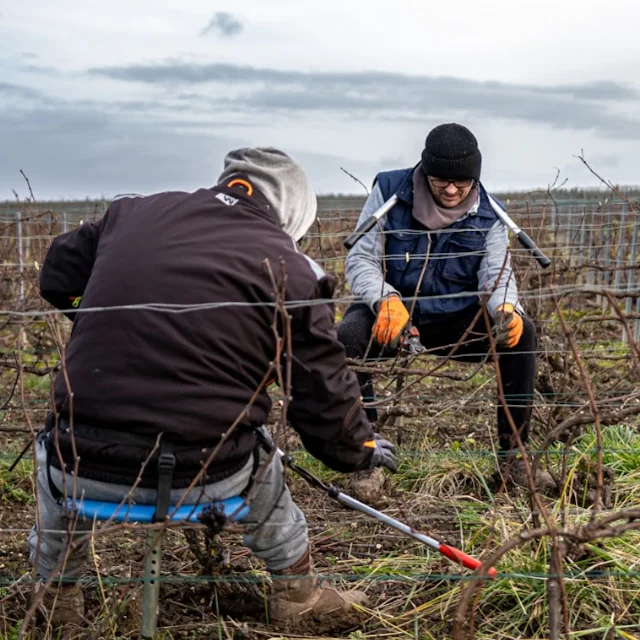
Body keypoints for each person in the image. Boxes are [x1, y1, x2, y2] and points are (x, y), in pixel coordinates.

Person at [28, 147, 398, 633]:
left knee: (52, 447)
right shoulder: (293, 267)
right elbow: (323, 396)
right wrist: (360, 452)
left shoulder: (131, 212)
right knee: (263, 453)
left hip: (80, 463)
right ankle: (298, 593)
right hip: (205, 471)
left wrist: (107, 314)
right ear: (291, 211)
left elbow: (57, 274)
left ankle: (55, 595)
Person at [337, 123, 554, 496]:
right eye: (441, 180)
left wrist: (506, 307)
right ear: (425, 171)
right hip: (396, 316)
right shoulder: (389, 193)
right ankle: (366, 456)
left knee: (524, 335)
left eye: (462, 182)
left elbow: (496, 273)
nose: (451, 190)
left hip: (457, 320)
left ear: (474, 178)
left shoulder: (491, 214)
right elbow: (361, 258)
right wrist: (385, 299)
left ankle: (513, 458)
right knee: (347, 338)